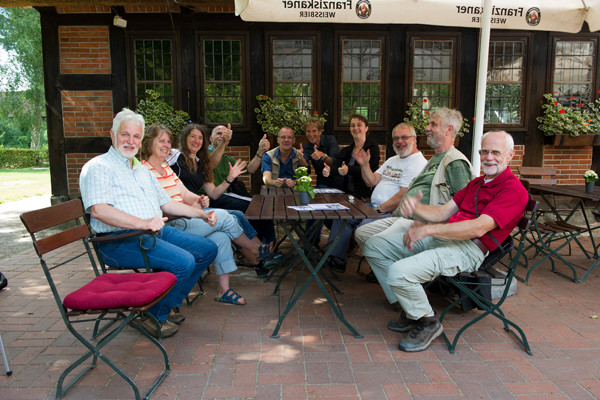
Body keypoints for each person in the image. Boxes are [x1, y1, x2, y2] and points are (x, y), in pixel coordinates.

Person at [363, 131, 528, 352]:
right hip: (444, 237)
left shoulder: (513, 190)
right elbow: (443, 211)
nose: (489, 157)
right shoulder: (478, 183)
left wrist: (428, 230)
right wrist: (416, 209)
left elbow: (478, 227)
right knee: (374, 245)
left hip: (469, 249)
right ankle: (411, 306)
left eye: (496, 152)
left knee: (398, 272)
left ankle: (427, 322)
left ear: (510, 155)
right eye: (485, 151)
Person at [79, 109, 218, 339]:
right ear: (112, 135)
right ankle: (153, 317)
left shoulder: (141, 170)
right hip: (119, 241)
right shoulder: (98, 167)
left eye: (136, 136)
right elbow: (99, 210)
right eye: (125, 135)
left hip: (151, 233)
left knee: (206, 249)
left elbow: (167, 203)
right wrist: (143, 223)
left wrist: (200, 214)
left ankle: (163, 305)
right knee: (184, 261)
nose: (130, 141)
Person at [140, 123, 270, 304]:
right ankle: (255, 249)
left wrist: (198, 200)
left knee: (221, 236)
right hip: (170, 225)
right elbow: (166, 206)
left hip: (186, 217)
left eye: (168, 141)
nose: (166, 145)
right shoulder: (145, 170)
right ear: (148, 143)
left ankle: (224, 291)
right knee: (226, 216)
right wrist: (199, 212)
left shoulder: (165, 168)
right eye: (161, 141)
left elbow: (184, 193)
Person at [354, 108, 474, 299]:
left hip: (424, 224)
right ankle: (398, 279)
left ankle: (400, 292)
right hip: (402, 217)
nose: (427, 128)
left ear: (449, 130)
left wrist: (434, 226)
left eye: (433, 124)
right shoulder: (436, 158)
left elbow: (465, 206)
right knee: (361, 233)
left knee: (373, 245)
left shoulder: (454, 162)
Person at [322, 123, 427, 273]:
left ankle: (381, 267)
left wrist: (376, 210)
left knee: (364, 227)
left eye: (404, 137)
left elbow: (403, 196)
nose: (399, 141)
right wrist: (364, 165)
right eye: (396, 138)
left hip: (392, 213)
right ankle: (336, 259)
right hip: (374, 207)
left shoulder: (418, 163)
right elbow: (371, 181)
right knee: (343, 215)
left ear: (414, 139)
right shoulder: (392, 160)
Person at [170, 123, 272, 277]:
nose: (197, 141)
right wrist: (223, 142)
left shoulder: (199, 163)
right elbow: (211, 163)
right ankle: (261, 252)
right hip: (181, 212)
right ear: (184, 139)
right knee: (233, 217)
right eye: (193, 137)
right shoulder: (175, 157)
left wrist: (230, 179)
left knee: (236, 215)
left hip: (199, 206)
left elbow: (214, 193)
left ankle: (259, 258)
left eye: (199, 138)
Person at [204, 124, 277, 248]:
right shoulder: (205, 154)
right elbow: (210, 164)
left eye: (225, 134)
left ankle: (268, 244)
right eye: (219, 134)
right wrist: (223, 142)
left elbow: (250, 168)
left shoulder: (226, 159)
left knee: (261, 205)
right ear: (210, 138)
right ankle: (262, 247)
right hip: (208, 199)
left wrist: (260, 152)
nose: (222, 136)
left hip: (224, 196)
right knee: (253, 207)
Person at [324, 114, 380, 199]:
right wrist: (329, 170)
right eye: (352, 125)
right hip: (346, 196)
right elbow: (338, 167)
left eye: (359, 125)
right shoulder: (346, 150)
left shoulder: (372, 148)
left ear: (366, 128)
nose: (355, 128)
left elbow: (369, 169)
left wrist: (348, 169)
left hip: (364, 197)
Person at [301, 116, 340, 188]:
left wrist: (322, 155)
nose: (311, 134)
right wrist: (301, 159)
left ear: (320, 131)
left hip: (339, 183)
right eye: (308, 131)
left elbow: (335, 162)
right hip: (322, 184)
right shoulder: (306, 147)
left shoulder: (330, 140)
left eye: (314, 131)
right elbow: (306, 171)